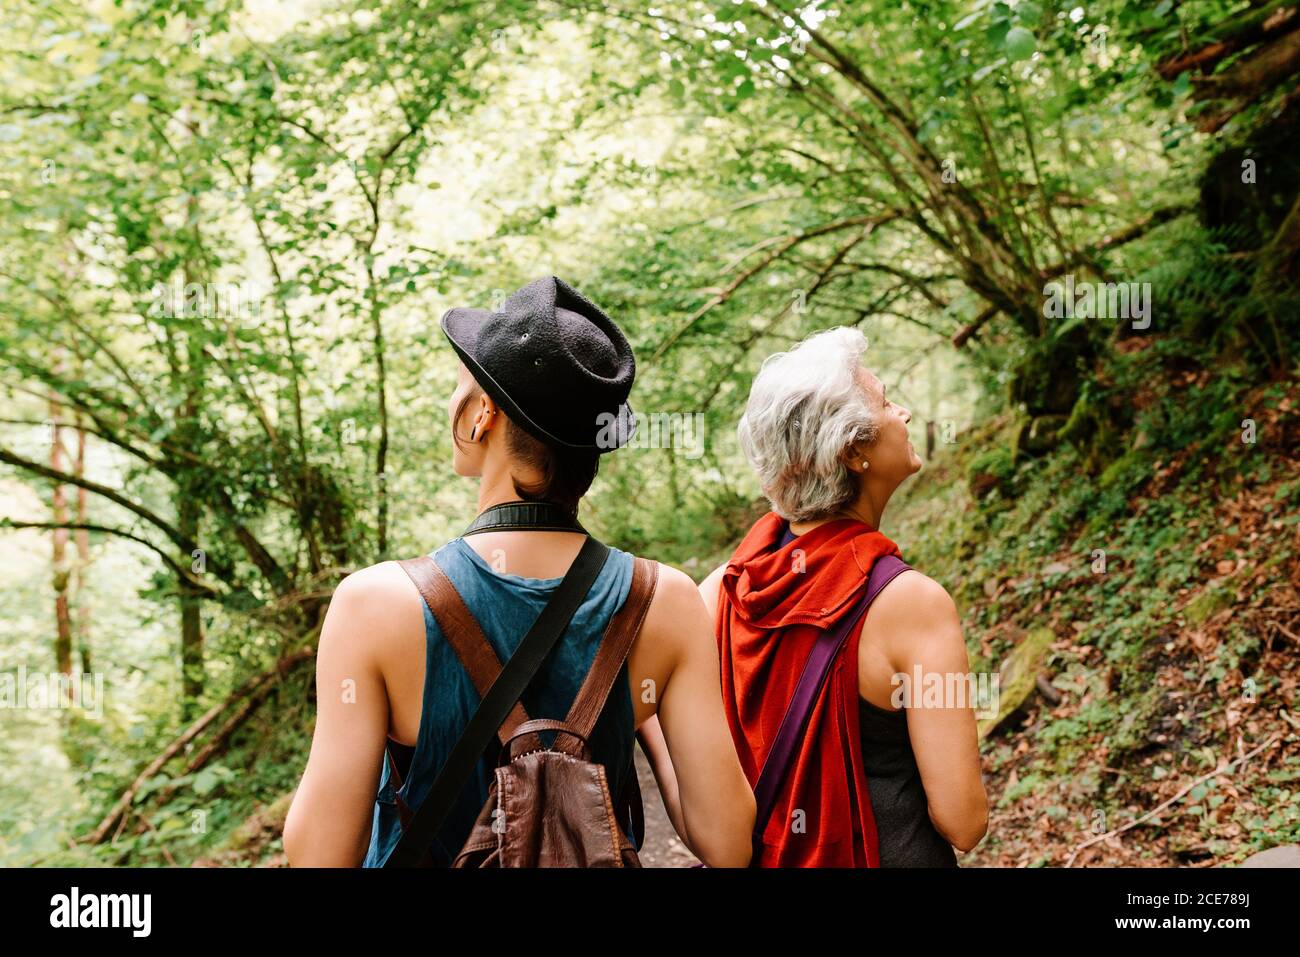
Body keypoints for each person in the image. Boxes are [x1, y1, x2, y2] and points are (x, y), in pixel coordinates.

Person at [283, 276, 755, 867]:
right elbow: (729, 842)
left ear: (483, 414)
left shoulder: (373, 605)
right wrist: (645, 713)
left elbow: (319, 855)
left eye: (460, 387)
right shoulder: (664, 601)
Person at [644, 325, 987, 867]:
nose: (905, 415)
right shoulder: (912, 605)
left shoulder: (721, 591)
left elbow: (675, 748)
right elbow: (963, 820)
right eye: (887, 401)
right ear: (854, 451)